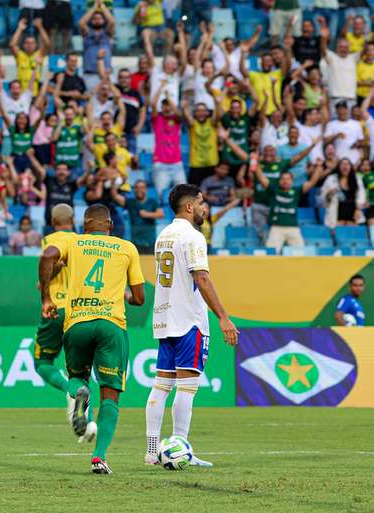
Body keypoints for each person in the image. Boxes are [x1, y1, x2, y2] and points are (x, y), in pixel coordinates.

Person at [38, 204, 145, 474]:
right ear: (110, 225)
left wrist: (47, 297)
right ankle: (99, 457)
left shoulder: (74, 242)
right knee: (111, 394)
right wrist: (122, 293)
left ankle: (77, 394)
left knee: (79, 378)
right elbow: (139, 299)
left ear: (84, 225)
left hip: (77, 324)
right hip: (111, 326)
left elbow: (48, 256)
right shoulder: (127, 247)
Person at [145, 184, 239, 468]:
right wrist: (223, 316)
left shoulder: (163, 235)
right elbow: (202, 278)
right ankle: (180, 448)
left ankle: (152, 451)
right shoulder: (193, 237)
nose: (204, 208)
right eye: (201, 203)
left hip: (164, 318)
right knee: (187, 387)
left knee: (161, 385)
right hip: (188, 320)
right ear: (189, 207)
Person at [31, 204, 96, 442]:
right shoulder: (83, 242)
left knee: (42, 362)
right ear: (74, 220)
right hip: (82, 311)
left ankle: (70, 391)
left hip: (57, 308)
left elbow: (51, 261)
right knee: (80, 371)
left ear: (52, 219)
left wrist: (45, 287)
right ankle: (88, 425)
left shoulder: (52, 239)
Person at [255, 167, 324, 252]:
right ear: (279, 181)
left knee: (301, 254)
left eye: (288, 179)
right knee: (271, 254)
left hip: (293, 228)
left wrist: (318, 167)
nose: (285, 181)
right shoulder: (274, 190)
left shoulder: (296, 191)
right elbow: (261, 179)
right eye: (283, 179)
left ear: (292, 181)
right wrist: (255, 162)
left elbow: (312, 182)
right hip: (276, 228)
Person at [116, 180, 164, 254]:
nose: (139, 190)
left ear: (146, 189)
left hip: (150, 242)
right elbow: (115, 196)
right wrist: (115, 182)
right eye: (137, 187)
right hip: (135, 244)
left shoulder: (152, 202)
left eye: (142, 187)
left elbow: (161, 214)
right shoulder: (130, 202)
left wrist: (147, 214)